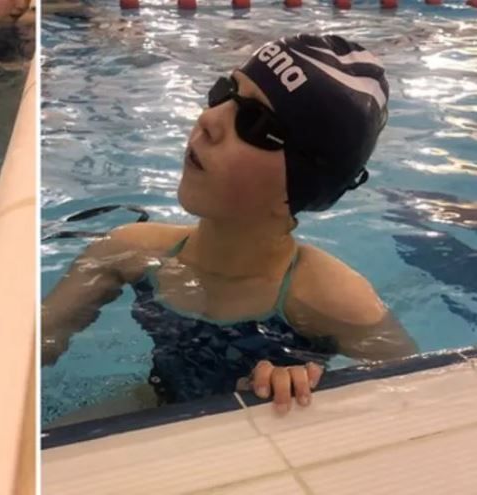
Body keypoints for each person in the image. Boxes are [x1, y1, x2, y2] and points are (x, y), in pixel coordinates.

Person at [42, 34, 418, 421]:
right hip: (154, 409)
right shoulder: (129, 251)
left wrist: (313, 389)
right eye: (224, 92)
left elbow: (425, 401)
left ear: (303, 184)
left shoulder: (330, 298)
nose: (208, 120)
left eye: (254, 123)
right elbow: (28, 350)